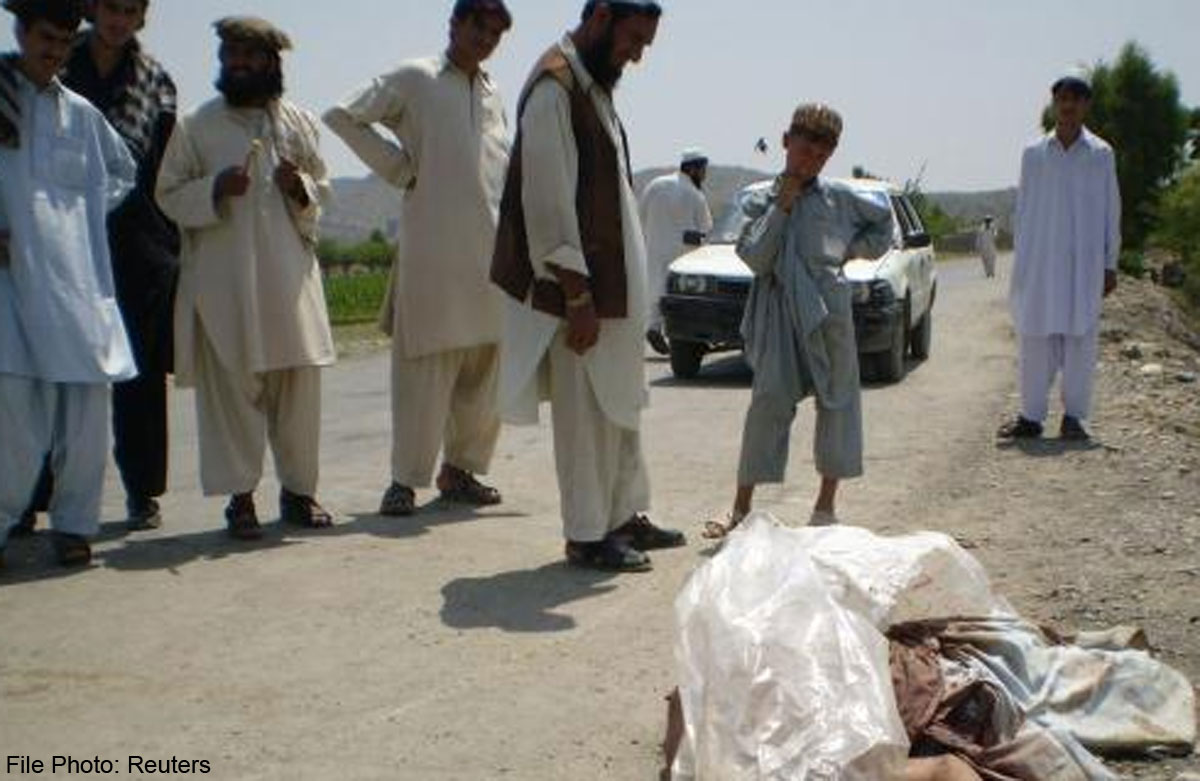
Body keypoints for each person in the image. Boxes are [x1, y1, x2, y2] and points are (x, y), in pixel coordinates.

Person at [491, 0, 685, 572]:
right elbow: (548, 204)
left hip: (611, 288)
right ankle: (586, 534)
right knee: (584, 415)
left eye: (645, 44)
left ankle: (622, 518)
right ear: (600, 16)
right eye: (633, 39)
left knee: (618, 406)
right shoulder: (555, 89)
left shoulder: (591, 85)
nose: (637, 55)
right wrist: (576, 296)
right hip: (580, 293)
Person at [323, 0, 512, 518]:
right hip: (432, 251)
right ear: (455, 24)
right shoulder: (416, 77)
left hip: (490, 253)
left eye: (496, 33)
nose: (486, 39)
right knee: (424, 369)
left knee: (485, 368)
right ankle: (404, 481)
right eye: (479, 27)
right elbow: (343, 115)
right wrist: (399, 169)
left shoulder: (492, 90)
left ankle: (461, 471)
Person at [156, 17, 336, 540]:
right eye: (230, 53)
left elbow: (323, 190)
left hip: (289, 285)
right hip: (225, 286)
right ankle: (241, 501)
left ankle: (300, 494)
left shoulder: (299, 123)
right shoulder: (197, 125)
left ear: (271, 63)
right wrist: (214, 188)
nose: (237, 63)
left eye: (249, 55)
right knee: (232, 396)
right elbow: (168, 194)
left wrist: (299, 188)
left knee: (298, 393)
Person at [702, 103, 894, 539]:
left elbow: (883, 222)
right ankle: (741, 508)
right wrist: (783, 206)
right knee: (768, 402)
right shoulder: (758, 199)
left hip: (828, 310)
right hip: (777, 308)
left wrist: (850, 251)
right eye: (805, 148)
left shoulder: (840, 199)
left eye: (822, 154)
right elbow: (755, 257)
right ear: (786, 142)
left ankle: (826, 507)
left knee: (838, 402)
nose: (811, 160)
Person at [0, 0, 137, 567]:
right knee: (14, 419)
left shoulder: (81, 114)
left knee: (86, 418)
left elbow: (122, 171)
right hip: (11, 287)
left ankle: (76, 527)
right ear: (20, 32)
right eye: (45, 38)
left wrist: (77, 216)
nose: (53, 51)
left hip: (78, 285)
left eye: (63, 41)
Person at [60, 0, 179, 530]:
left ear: (141, 17)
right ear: (93, 8)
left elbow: (163, 166)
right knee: (56, 371)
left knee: (139, 374)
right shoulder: (57, 63)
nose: (118, 19)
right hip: (64, 237)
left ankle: (142, 491)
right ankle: (34, 497)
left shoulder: (156, 80)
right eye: (111, 6)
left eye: (130, 9)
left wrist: (172, 245)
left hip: (138, 243)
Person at [998, 72, 1120, 442]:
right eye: (1062, 98)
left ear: (1086, 105)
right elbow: (1024, 210)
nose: (1068, 106)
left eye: (1075, 99)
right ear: (1055, 104)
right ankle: (1031, 417)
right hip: (1040, 260)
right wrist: (1021, 262)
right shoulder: (1034, 154)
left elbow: (1111, 211)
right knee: (1035, 338)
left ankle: (1075, 418)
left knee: (1081, 339)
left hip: (1083, 264)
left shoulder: (1101, 154)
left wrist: (1110, 263)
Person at [639, 147, 712, 354]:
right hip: (683, 254)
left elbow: (641, 215)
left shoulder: (655, 185)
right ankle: (685, 341)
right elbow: (706, 228)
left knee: (656, 291)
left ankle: (654, 328)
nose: (704, 175)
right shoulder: (694, 194)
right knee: (681, 297)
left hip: (654, 249)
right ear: (693, 169)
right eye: (703, 170)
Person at [976, 214, 997, 279]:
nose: (988, 221)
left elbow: (995, 236)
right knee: (985, 260)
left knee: (992, 259)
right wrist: (978, 246)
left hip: (991, 246)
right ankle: (987, 272)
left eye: (989, 220)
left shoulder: (993, 228)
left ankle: (992, 272)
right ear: (985, 221)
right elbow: (978, 238)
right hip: (983, 247)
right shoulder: (981, 228)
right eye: (987, 220)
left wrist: (992, 229)